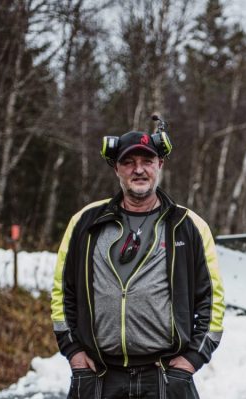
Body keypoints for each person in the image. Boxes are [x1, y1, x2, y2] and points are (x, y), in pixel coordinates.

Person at [51, 130, 225, 398]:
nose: (139, 170)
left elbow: (211, 300)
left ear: (160, 165)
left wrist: (193, 358)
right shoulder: (85, 223)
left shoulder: (188, 226)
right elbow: (63, 292)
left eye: (147, 161)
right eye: (129, 162)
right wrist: (73, 351)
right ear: (116, 168)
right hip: (99, 376)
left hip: (165, 377)